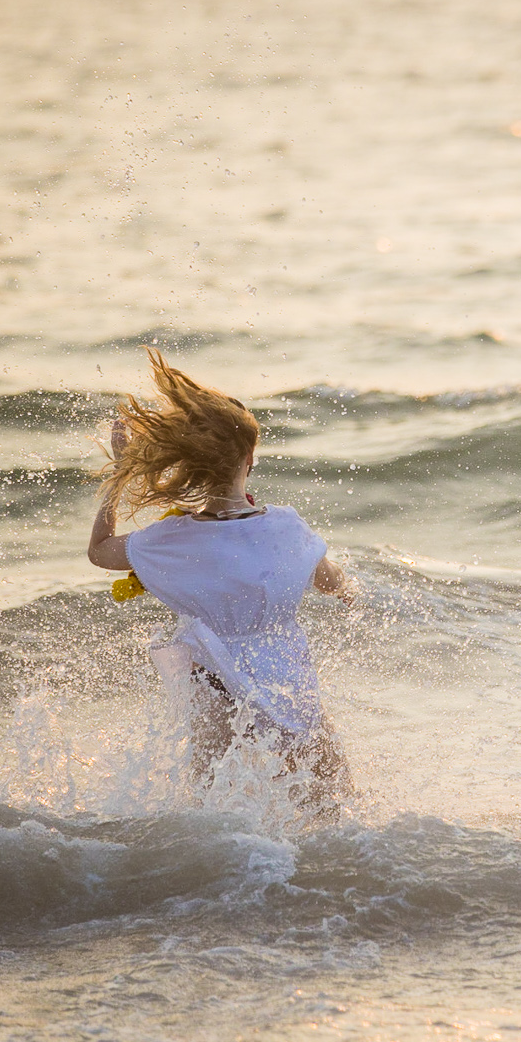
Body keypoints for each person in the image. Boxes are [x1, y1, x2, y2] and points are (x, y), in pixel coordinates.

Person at [87, 349, 355, 819]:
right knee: (331, 797)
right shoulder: (287, 527)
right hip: (284, 678)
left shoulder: (170, 540)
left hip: (211, 674)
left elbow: (101, 551)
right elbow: (331, 581)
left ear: (189, 467)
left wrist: (119, 474)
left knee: (208, 801)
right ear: (250, 458)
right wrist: (349, 589)